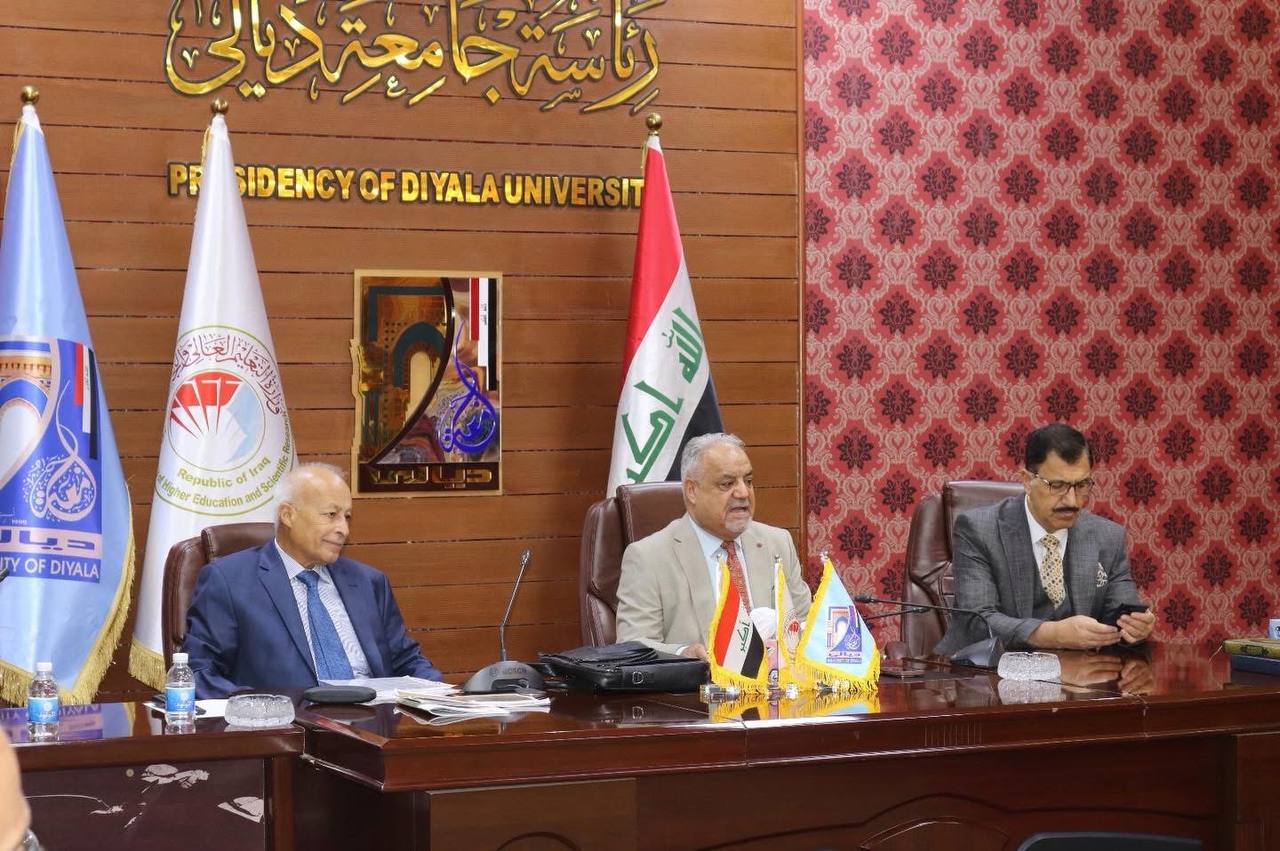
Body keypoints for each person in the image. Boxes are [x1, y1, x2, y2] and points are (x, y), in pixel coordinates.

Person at [183, 463, 442, 697]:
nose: (344, 529)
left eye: (347, 516)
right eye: (331, 514)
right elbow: (199, 672)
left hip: (374, 722)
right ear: (288, 515)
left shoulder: (369, 582)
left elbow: (407, 661)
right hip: (288, 727)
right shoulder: (229, 581)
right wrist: (263, 708)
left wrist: (444, 695)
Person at [934, 423, 1157, 656]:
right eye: (1057, 486)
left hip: (1079, 673)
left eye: (1081, 485)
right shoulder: (979, 530)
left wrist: (1135, 628)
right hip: (990, 672)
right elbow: (976, 622)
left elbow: (1121, 617)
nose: (1072, 501)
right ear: (1027, 480)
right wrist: (1053, 634)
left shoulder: (1108, 537)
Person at [615, 433, 811, 659]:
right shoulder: (649, 557)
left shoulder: (777, 543)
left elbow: (806, 624)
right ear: (691, 491)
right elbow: (633, 646)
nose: (743, 493)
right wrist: (683, 653)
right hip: (699, 681)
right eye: (727, 484)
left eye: (748, 481)